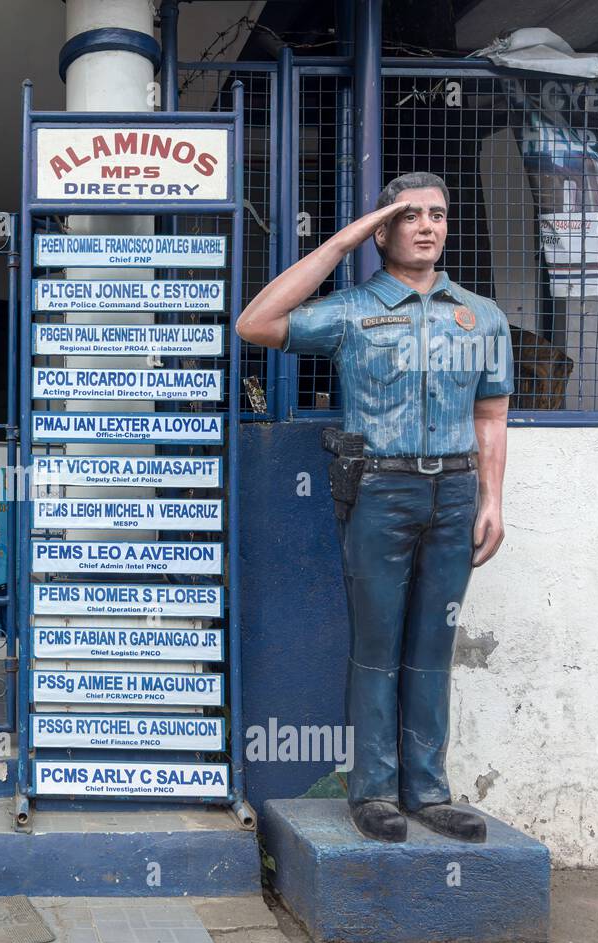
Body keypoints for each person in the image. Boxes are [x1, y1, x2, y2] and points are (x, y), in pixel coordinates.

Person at [236, 172, 512, 845]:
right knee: (377, 645)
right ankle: (374, 790)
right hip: (380, 488)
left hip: (453, 491)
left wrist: (493, 499)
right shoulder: (353, 311)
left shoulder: (482, 316)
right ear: (382, 229)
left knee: (432, 644)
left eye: (438, 215)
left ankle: (428, 789)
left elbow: (491, 417)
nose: (427, 226)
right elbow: (255, 321)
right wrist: (343, 241)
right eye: (408, 215)